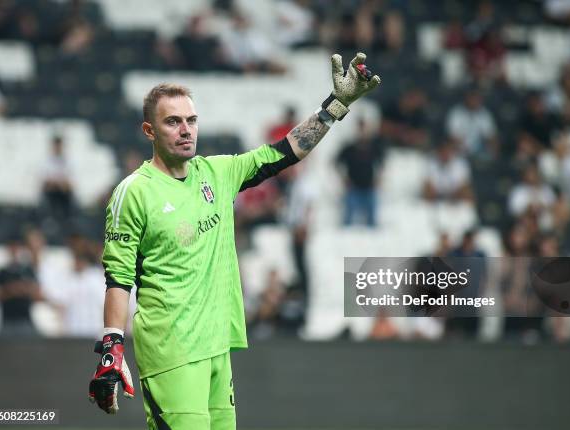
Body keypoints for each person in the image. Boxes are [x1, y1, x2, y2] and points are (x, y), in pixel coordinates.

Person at [88, 52, 380, 429]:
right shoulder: (134, 193)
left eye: (191, 120)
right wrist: (112, 346)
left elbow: (286, 151)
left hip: (217, 347)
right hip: (171, 352)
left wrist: (336, 106)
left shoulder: (218, 172)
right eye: (173, 122)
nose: (185, 130)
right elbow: (118, 277)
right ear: (149, 131)